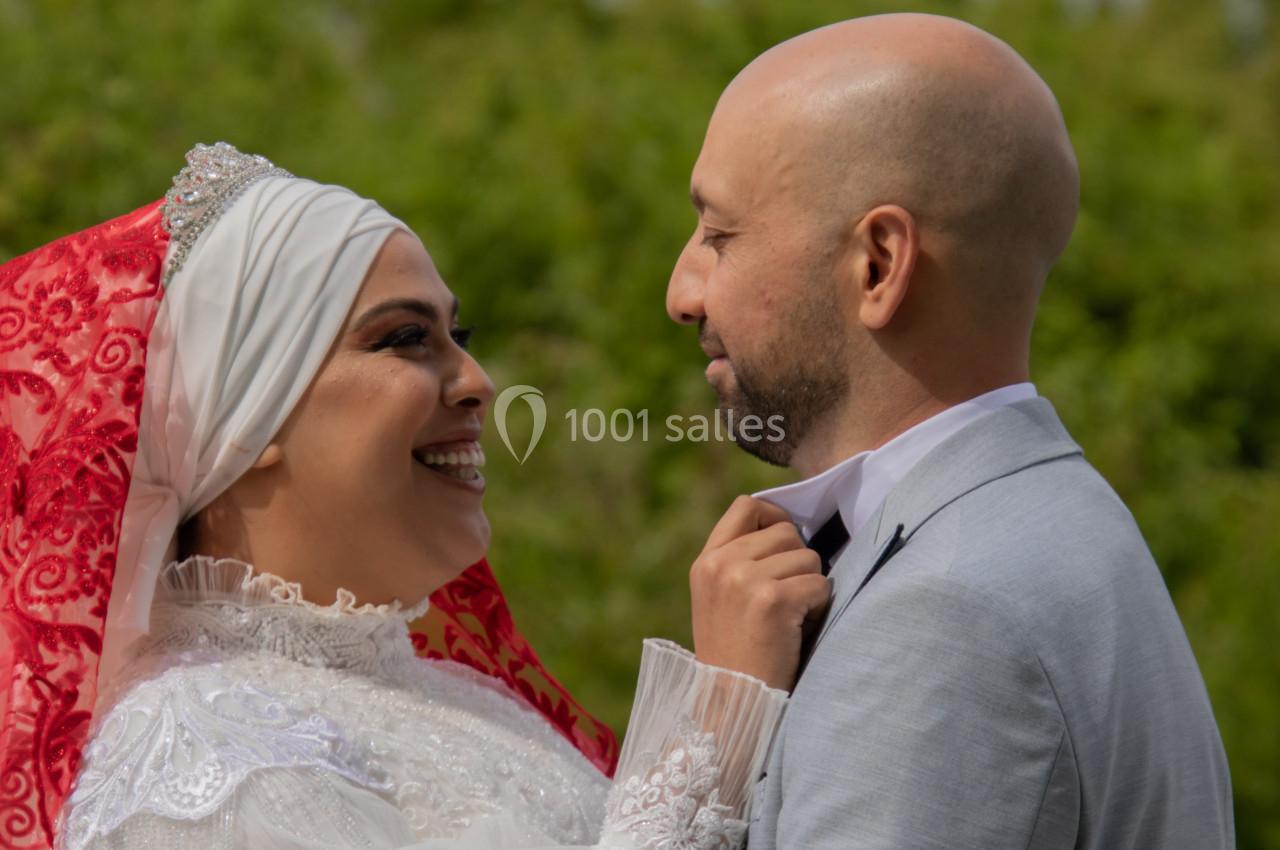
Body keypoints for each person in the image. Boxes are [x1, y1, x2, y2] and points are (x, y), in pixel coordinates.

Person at [0, 142, 825, 850]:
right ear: (244, 417)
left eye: (455, 337)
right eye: (404, 339)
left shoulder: (457, 697)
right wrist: (719, 715)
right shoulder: (199, 757)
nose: (476, 382)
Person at [667, 13, 1235, 849]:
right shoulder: (1064, 520)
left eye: (720, 235)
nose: (683, 293)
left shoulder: (942, 617)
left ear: (879, 265)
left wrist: (721, 721)